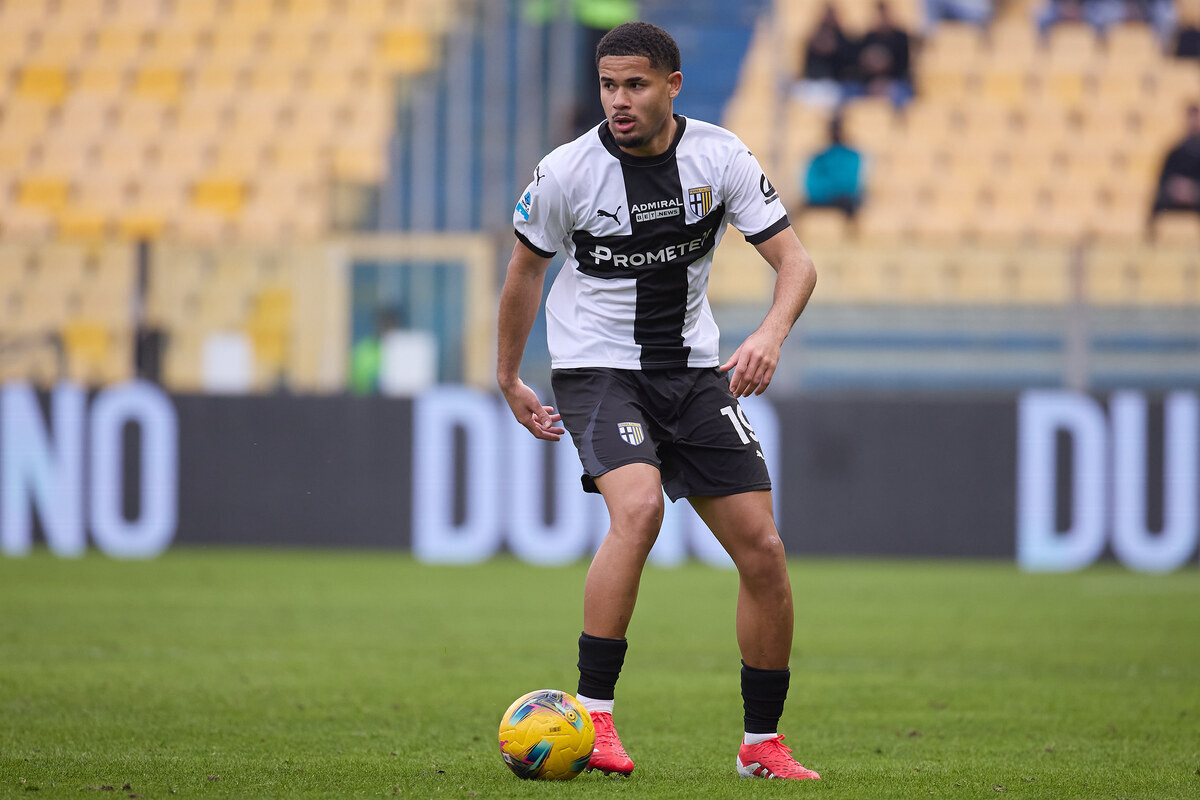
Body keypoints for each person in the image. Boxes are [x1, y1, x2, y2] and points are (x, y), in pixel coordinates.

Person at [497, 21, 820, 781]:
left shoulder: (720, 156)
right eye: (609, 85)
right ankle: (594, 718)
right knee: (637, 510)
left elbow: (796, 263)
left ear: (671, 86)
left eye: (635, 84)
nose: (619, 100)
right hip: (597, 370)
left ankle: (760, 746)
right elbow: (522, 276)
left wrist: (771, 333)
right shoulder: (565, 172)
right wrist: (510, 376)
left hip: (693, 372)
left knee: (765, 552)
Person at [802, 114, 866, 218]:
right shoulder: (819, 156)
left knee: (853, 207)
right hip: (822, 198)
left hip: (844, 200)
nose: (835, 132)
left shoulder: (852, 156)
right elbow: (811, 184)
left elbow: (852, 184)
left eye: (838, 129)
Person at [1150, 102, 1200, 221]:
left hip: (1197, 194)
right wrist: (1176, 188)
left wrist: (1193, 189)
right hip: (1176, 194)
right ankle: (1152, 235)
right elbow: (1164, 176)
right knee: (1157, 202)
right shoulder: (1176, 150)